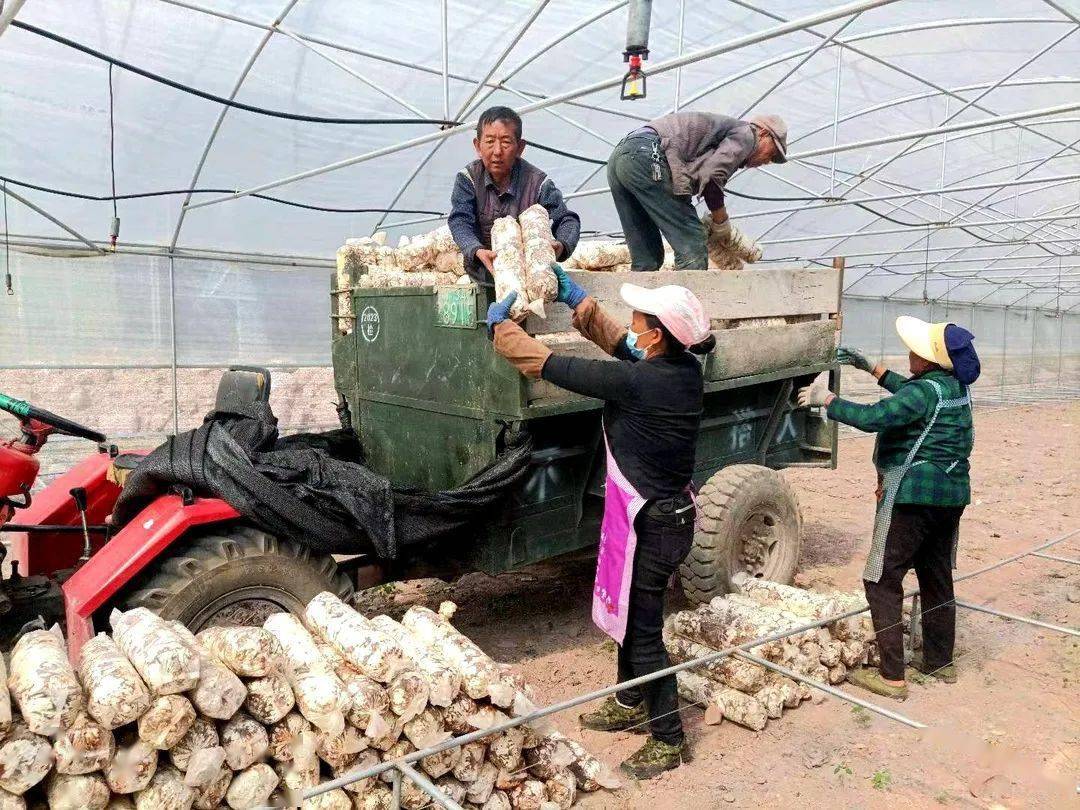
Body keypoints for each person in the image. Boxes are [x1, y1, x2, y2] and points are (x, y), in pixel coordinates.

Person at [486, 264, 715, 779]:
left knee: (642, 630)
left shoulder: (637, 383)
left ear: (657, 334)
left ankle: (669, 737)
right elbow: (624, 347)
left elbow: (547, 365)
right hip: (665, 516)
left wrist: (499, 328)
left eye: (638, 318)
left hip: (655, 526)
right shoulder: (680, 372)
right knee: (627, 610)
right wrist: (579, 303)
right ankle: (630, 703)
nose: (631, 323)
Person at [798, 317, 980, 700]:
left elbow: (873, 418)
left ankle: (892, 677)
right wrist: (873, 369)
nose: (909, 354)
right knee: (936, 576)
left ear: (929, 361)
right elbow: (910, 392)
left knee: (881, 579)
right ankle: (939, 662)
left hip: (914, 497)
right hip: (950, 498)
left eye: (916, 351)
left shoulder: (924, 392)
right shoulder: (955, 388)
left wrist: (828, 401)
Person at [607, 111, 787, 271]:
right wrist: (721, 221)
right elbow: (713, 175)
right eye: (771, 154)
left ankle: (641, 307)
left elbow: (708, 173)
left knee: (648, 257)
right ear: (763, 133)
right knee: (692, 242)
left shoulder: (729, 134)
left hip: (621, 158)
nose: (767, 161)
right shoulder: (747, 135)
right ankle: (685, 307)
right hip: (647, 156)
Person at [448, 106, 581, 286]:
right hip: (483, 279)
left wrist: (562, 244)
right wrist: (476, 250)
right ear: (478, 146)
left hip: (527, 282)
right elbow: (460, 220)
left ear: (520, 147)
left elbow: (566, 219)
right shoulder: (468, 179)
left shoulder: (538, 183)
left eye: (505, 142)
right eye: (489, 141)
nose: (497, 151)